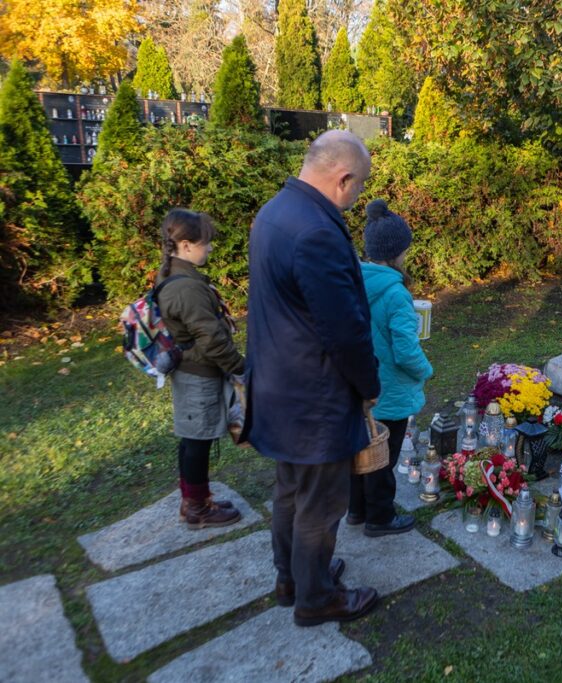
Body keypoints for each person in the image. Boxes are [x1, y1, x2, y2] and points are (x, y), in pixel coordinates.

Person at [244, 130, 380, 627]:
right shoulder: (317, 231)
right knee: (320, 506)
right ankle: (317, 598)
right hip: (313, 395)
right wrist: (369, 385)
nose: (357, 196)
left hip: (277, 385)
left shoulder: (274, 211)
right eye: (359, 186)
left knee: (288, 490)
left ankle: (292, 577)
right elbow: (343, 330)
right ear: (343, 179)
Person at [346, 200, 433, 537]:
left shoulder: (353, 282)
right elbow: (406, 352)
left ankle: (356, 509)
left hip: (362, 385)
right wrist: (425, 370)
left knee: (361, 448)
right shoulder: (395, 293)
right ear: (397, 251)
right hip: (391, 390)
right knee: (384, 456)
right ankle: (379, 517)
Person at [155, 208, 243, 529]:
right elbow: (212, 338)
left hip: (190, 371)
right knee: (196, 442)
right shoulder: (187, 287)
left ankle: (196, 498)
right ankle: (196, 509)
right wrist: (239, 368)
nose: (210, 248)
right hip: (198, 376)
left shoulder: (174, 273)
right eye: (205, 242)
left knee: (194, 439)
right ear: (187, 245)